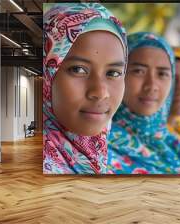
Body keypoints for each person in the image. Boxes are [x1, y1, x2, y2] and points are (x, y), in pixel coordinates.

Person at [43, 3, 127, 174]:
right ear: (47, 74)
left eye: (113, 73)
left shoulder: (111, 154)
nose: (100, 93)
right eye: (78, 69)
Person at [107, 32, 180, 174]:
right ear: (119, 73)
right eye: (138, 71)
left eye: (162, 74)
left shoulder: (171, 143)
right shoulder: (99, 147)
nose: (151, 85)